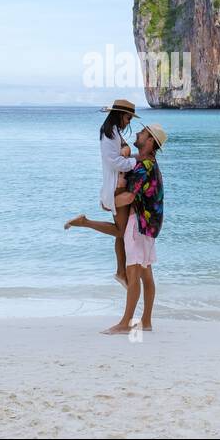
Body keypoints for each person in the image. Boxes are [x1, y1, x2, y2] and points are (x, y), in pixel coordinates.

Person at [68, 124, 167, 335]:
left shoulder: (144, 167)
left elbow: (129, 197)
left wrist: (109, 203)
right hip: (150, 225)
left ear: (150, 142)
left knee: (134, 272)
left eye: (143, 133)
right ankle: (146, 321)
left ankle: (125, 323)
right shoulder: (150, 163)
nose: (138, 134)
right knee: (146, 273)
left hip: (139, 223)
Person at [65, 99, 138, 286]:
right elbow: (114, 161)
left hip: (118, 185)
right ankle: (85, 222)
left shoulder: (113, 133)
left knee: (120, 233)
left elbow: (122, 152)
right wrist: (134, 162)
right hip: (117, 187)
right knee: (120, 231)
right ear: (120, 115)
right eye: (128, 117)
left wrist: (129, 153)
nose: (129, 121)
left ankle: (121, 272)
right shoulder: (109, 135)